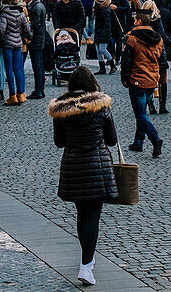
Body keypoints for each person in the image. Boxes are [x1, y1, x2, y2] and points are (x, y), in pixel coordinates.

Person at [50, 66, 118, 286]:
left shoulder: (61, 110)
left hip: (74, 166)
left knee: (82, 214)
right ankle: (86, 265)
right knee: (93, 216)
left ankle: (87, 259)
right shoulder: (101, 107)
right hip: (97, 166)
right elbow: (111, 140)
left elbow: (59, 142)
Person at [120, 11, 163, 157]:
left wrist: (124, 78)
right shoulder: (159, 38)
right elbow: (162, 59)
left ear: (139, 21)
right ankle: (138, 141)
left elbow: (126, 60)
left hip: (137, 78)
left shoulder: (131, 38)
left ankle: (154, 137)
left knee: (140, 113)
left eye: (135, 20)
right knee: (142, 111)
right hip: (152, 78)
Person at [0, 0, 32, 105]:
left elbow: (1, 30)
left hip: (7, 44)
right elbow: (27, 29)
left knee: (9, 69)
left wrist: (0, 40)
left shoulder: (4, 13)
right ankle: (21, 94)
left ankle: (12, 95)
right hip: (18, 43)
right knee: (18, 68)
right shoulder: (20, 12)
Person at [23, 0, 47, 98]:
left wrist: (29, 35)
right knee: (39, 64)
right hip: (40, 38)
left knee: (37, 65)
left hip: (36, 40)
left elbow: (35, 25)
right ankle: (40, 89)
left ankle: (39, 90)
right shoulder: (39, 5)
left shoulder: (34, 7)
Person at [92, 0, 116, 75]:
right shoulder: (101, 9)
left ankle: (112, 65)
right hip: (99, 31)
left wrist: (104, 34)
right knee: (98, 50)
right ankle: (102, 68)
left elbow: (107, 24)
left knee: (102, 49)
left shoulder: (104, 10)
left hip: (103, 32)